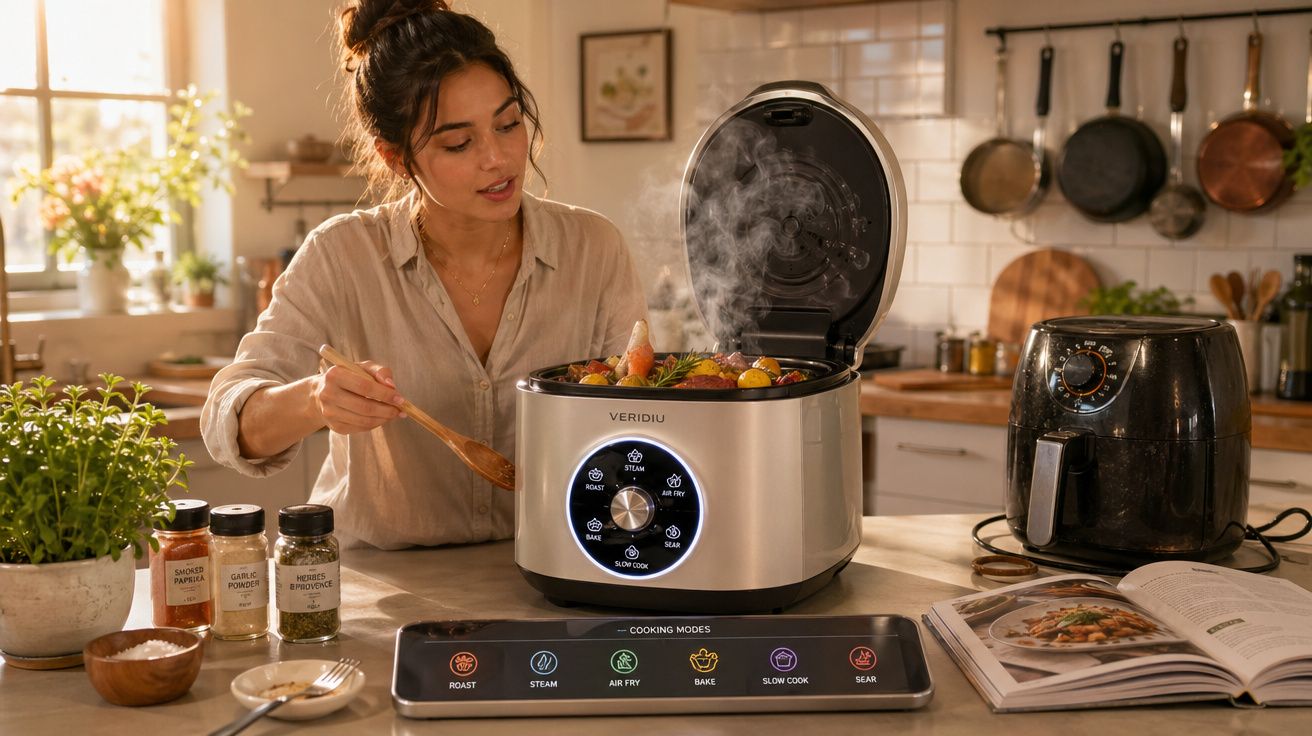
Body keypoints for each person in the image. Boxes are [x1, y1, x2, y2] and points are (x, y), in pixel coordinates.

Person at [201, 0, 648, 550]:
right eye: (459, 142)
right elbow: (229, 420)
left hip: (553, 575)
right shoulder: (343, 255)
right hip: (381, 596)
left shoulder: (592, 249)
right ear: (395, 157)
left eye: (508, 124)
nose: (498, 158)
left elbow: (638, 418)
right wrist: (316, 399)